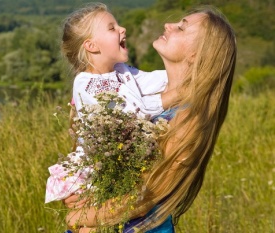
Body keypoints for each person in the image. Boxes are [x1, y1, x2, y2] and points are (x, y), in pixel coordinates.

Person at [64, 5, 237, 233]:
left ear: (196, 54)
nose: (168, 25)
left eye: (181, 28)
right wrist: (79, 188)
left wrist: (79, 218)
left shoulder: (189, 117)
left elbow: (144, 198)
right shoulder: (136, 89)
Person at [45, 3, 177, 205]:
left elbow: (151, 80)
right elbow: (132, 113)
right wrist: (177, 94)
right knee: (98, 218)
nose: (122, 29)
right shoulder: (87, 84)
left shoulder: (121, 70)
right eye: (111, 28)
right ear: (92, 46)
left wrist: (185, 73)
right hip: (97, 170)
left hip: (120, 162)